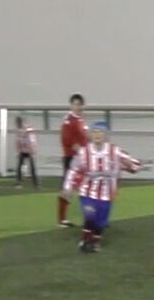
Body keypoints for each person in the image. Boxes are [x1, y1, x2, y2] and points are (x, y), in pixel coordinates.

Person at [64, 122, 144, 253]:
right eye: (94, 132)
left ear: (106, 135)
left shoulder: (114, 151)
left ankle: (95, 242)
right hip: (87, 192)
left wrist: (135, 165)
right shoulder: (84, 152)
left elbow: (131, 162)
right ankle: (85, 240)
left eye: (100, 132)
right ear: (90, 135)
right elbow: (73, 170)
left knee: (101, 222)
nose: (97, 135)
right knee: (90, 215)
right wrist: (68, 187)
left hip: (107, 194)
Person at [57, 94, 87, 228]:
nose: (77, 106)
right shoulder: (69, 120)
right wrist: (82, 152)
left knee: (86, 188)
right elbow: (67, 140)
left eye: (79, 104)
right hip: (72, 158)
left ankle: (91, 218)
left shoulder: (80, 120)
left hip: (81, 158)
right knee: (68, 189)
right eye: (75, 104)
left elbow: (84, 139)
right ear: (71, 105)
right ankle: (61, 219)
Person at [14, 117, 38, 189]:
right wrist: (18, 150)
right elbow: (18, 141)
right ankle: (18, 183)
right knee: (19, 167)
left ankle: (36, 184)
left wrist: (32, 150)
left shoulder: (28, 130)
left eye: (18, 123)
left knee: (32, 168)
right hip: (22, 151)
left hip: (29, 151)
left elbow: (32, 140)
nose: (17, 124)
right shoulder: (18, 130)